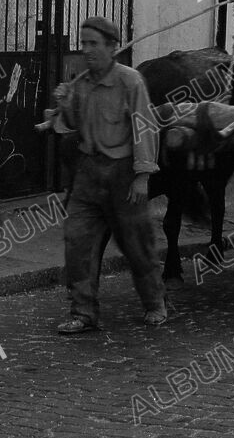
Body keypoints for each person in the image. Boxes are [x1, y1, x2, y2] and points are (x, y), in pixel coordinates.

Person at [52, 17, 167, 332]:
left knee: (136, 245)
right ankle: (83, 312)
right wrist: (64, 105)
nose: (86, 50)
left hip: (123, 174)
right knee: (77, 242)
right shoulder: (81, 84)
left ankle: (154, 303)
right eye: (84, 42)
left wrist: (143, 175)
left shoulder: (131, 82)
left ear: (112, 47)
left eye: (94, 43)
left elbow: (145, 128)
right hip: (88, 172)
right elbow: (71, 126)